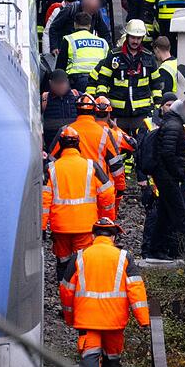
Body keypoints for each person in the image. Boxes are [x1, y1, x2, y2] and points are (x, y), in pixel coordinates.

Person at [59, 218, 150, 367]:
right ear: (113, 237)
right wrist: (143, 319)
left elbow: (66, 290)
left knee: (90, 358)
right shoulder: (124, 257)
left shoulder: (80, 257)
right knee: (112, 359)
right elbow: (136, 289)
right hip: (114, 321)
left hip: (87, 320)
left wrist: (69, 317)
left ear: (93, 236)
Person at [43, 128, 115, 282]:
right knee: (82, 261)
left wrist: (42, 227)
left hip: (60, 227)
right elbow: (108, 192)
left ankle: (64, 288)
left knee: (63, 261)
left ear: (60, 145)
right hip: (85, 226)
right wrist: (106, 219)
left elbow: (44, 200)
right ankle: (80, 288)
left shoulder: (51, 169)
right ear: (78, 144)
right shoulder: (91, 166)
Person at [86, 19, 163, 133]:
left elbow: (156, 84)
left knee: (141, 142)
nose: (135, 41)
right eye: (133, 37)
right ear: (127, 36)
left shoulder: (149, 57)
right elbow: (103, 80)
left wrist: (157, 105)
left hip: (142, 114)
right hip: (118, 113)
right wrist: (102, 99)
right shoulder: (114, 56)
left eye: (138, 38)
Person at [49, 94, 126, 202]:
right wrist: (120, 188)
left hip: (70, 186)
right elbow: (116, 165)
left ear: (76, 110)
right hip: (98, 184)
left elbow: (51, 161)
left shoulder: (66, 131)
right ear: (94, 110)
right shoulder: (104, 132)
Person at [152, 96, 185, 259]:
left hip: (165, 176)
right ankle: (177, 249)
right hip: (168, 177)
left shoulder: (172, 122)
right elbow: (168, 153)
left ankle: (158, 249)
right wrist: (179, 172)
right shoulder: (175, 125)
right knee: (178, 213)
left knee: (165, 213)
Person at [135, 92, 176, 258]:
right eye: (168, 105)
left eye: (173, 105)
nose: (171, 108)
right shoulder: (148, 123)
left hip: (170, 179)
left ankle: (165, 249)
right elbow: (140, 152)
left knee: (168, 216)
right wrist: (141, 178)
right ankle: (148, 250)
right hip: (153, 179)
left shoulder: (180, 124)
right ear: (161, 106)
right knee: (153, 216)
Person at [94, 96, 136, 212]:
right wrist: (116, 128)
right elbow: (132, 144)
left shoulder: (80, 132)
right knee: (107, 217)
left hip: (85, 182)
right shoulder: (115, 134)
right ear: (109, 114)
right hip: (107, 183)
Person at [56, 12, 110, 92]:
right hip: (99, 80)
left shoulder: (69, 39)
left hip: (77, 81)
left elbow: (61, 64)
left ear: (75, 24)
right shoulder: (103, 42)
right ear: (89, 25)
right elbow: (108, 64)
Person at [41, 69, 79, 149]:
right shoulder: (44, 99)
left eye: (63, 82)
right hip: (52, 148)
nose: (61, 86)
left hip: (75, 146)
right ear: (51, 83)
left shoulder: (77, 96)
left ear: (67, 82)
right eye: (57, 83)